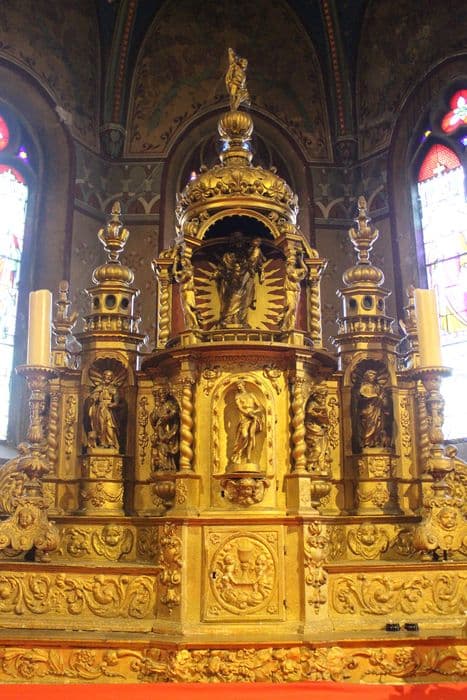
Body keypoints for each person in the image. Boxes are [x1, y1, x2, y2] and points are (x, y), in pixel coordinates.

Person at [229, 381, 263, 466]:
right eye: (237, 385)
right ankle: (237, 453)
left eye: (240, 385)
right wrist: (249, 414)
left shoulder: (251, 395)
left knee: (251, 436)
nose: (238, 387)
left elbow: (260, 407)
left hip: (254, 417)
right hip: (244, 417)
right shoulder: (238, 396)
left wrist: (254, 412)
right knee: (244, 435)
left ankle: (248, 458)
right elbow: (239, 408)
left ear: (243, 385)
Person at [356, 369, 391, 449]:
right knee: (368, 425)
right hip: (368, 410)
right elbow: (361, 397)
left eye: (374, 375)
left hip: (377, 410)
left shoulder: (377, 387)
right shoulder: (364, 387)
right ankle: (366, 443)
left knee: (378, 426)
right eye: (371, 375)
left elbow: (384, 399)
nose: (373, 377)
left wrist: (382, 399)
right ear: (367, 376)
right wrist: (373, 397)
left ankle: (376, 442)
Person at [88, 370, 120, 450]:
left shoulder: (113, 389)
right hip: (101, 408)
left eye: (110, 376)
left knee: (110, 426)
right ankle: (102, 443)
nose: (108, 377)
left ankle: (111, 443)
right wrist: (94, 397)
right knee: (101, 426)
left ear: (112, 378)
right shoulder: (99, 387)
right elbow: (93, 397)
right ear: (103, 377)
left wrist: (113, 404)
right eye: (106, 375)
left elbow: (116, 401)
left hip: (109, 409)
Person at [172, 248, 201, 329]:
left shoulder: (189, 271)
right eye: (181, 261)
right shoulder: (184, 271)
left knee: (188, 309)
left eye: (184, 261)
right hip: (183, 292)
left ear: (187, 262)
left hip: (188, 292)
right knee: (185, 310)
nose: (182, 262)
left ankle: (195, 324)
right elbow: (174, 273)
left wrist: (177, 275)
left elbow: (181, 279)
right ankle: (190, 325)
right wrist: (175, 262)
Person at [281, 250, 307, 330]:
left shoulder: (295, 271)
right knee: (291, 308)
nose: (293, 264)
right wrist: (300, 278)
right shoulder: (289, 271)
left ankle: (291, 326)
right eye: (291, 263)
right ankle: (284, 325)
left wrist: (301, 260)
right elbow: (294, 277)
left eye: (294, 263)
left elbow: (305, 270)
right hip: (289, 291)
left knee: (294, 310)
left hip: (296, 291)